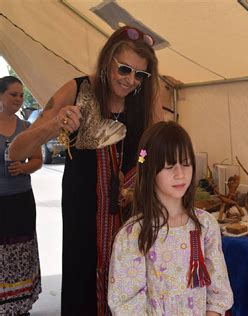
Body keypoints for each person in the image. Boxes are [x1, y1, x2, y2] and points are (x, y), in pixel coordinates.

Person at [9, 26, 164, 315]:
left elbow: (151, 150)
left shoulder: (143, 100)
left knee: (127, 291)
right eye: (124, 69)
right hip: (83, 218)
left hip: (129, 219)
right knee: (83, 289)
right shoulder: (77, 89)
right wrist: (55, 124)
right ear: (107, 60)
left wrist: (136, 172)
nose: (131, 80)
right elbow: (16, 151)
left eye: (140, 75)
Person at [108, 121, 233, 315]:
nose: (180, 174)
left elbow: (218, 292)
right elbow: (126, 304)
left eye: (185, 163)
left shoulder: (205, 225)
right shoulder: (133, 235)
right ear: (149, 170)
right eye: (169, 166)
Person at [0, 76, 43, 315]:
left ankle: (20, 305)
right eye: (12, 94)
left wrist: (24, 168)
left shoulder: (26, 127)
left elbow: (38, 159)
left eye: (20, 95)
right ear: (0, 96)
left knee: (22, 251)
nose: (18, 99)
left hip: (21, 200)